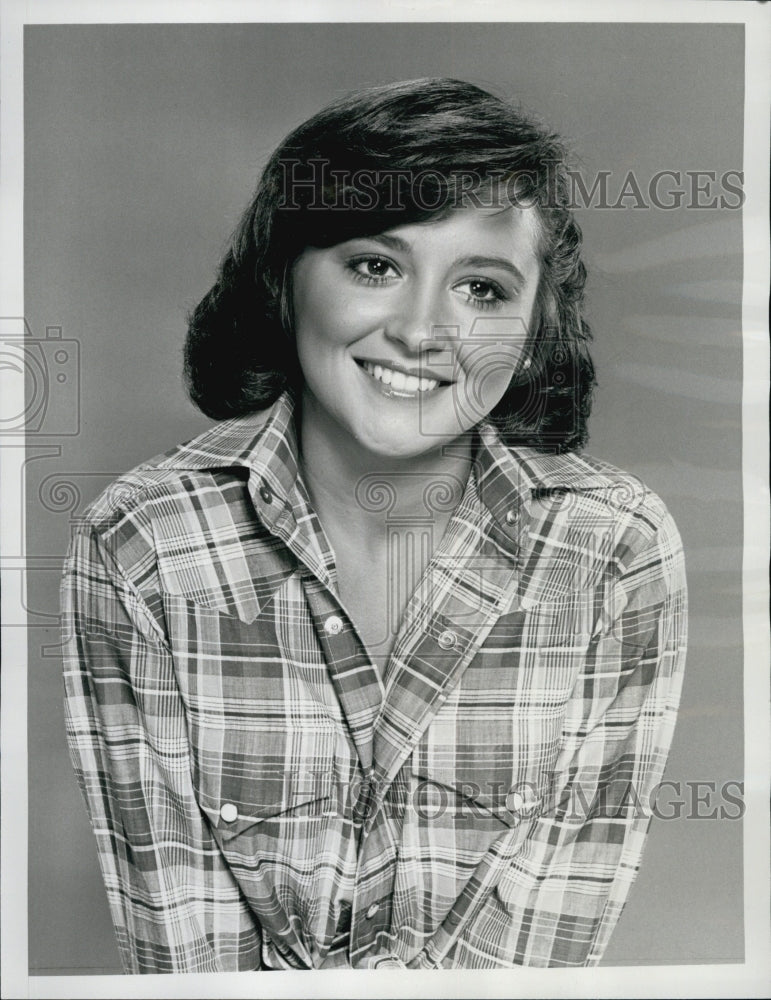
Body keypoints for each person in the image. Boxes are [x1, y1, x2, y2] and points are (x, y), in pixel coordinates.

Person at [61, 77, 687, 972]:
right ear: (283, 277)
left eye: (480, 287)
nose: (424, 330)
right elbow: (176, 926)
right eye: (374, 266)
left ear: (535, 322)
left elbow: (552, 928)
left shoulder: (612, 548)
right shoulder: (143, 541)